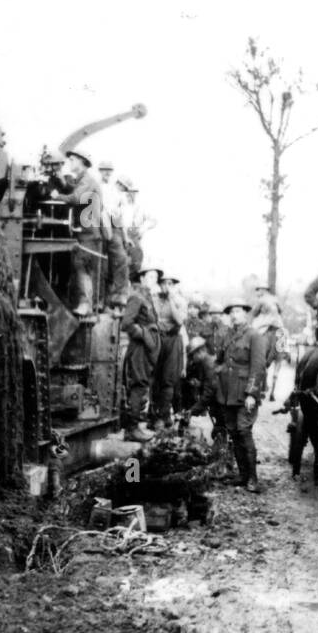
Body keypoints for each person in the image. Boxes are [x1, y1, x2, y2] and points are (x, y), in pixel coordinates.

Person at [216, 302, 268, 493]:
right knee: (234, 432)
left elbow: (258, 367)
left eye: (237, 312)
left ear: (246, 314)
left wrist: (252, 393)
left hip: (245, 393)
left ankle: (253, 478)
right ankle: (242, 475)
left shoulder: (255, 336)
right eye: (231, 312)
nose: (234, 315)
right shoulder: (227, 334)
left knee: (244, 431)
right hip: (228, 392)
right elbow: (220, 361)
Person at [55, 146, 104, 316]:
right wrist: (62, 181)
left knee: (82, 267)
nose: (70, 162)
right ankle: (83, 303)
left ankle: (86, 305)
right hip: (85, 231)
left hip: (89, 233)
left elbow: (76, 197)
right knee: (79, 267)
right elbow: (73, 189)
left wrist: (57, 196)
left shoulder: (88, 180)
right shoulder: (83, 180)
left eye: (73, 160)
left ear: (82, 163)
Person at [119, 265, 161, 442]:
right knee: (138, 384)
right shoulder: (136, 297)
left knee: (142, 385)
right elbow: (126, 323)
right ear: (142, 279)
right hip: (139, 349)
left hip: (146, 349)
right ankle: (132, 429)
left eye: (155, 277)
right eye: (150, 277)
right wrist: (144, 335)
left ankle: (135, 426)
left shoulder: (147, 297)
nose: (153, 280)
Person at [150, 271, 188, 428]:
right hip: (157, 339)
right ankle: (154, 415)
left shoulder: (180, 301)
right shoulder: (155, 300)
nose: (166, 286)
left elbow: (179, 320)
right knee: (154, 378)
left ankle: (165, 415)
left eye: (170, 284)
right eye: (163, 283)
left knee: (168, 379)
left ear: (174, 286)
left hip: (173, 341)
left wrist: (171, 299)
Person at [97, 160, 130, 306]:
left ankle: (118, 296)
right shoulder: (95, 186)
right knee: (99, 263)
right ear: (100, 170)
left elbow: (119, 217)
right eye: (104, 170)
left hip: (111, 226)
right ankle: (99, 299)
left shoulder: (116, 193)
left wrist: (125, 236)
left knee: (121, 259)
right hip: (96, 225)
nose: (107, 173)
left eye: (109, 170)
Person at [117, 176, 155, 275]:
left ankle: (132, 277)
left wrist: (143, 229)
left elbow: (153, 220)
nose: (131, 195)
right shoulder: (121, 206)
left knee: (137, 257)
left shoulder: (141, 208)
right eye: (129, 192)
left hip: (134, 236)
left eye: (133, 192)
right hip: (121, 235)